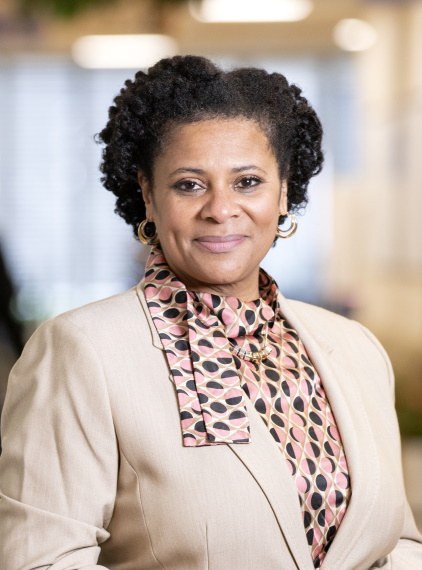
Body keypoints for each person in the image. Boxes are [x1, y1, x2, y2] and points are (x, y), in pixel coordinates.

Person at [0, 55, 420, 570]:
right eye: (189, 184)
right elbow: (41, 561)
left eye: (247, 182)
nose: (220, 209)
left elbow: (397, 544)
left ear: (284, 191)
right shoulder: (82, 352)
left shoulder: (355, 348)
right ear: (148, 196)